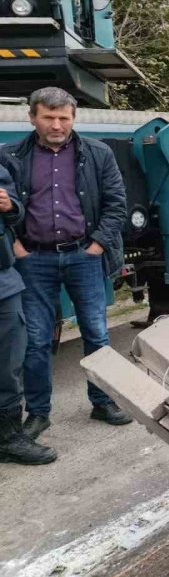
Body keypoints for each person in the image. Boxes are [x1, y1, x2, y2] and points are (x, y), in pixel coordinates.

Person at [0, 87, 131, 440]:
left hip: (83, 256)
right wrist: (18, 248)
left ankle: (103, 401)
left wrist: (97, 245)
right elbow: (5, 211)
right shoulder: (10, 155)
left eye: (64, 118)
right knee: (37, 340)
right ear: (32, 118)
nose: (57, 125)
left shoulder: (98, 153)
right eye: (48, 117)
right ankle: (38, 413)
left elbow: (116, 203)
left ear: (73, 118)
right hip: (33, 259)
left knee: (96, 332)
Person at [0, 164, 57, 464]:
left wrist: (10, 206)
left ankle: (9, 439)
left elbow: (16, 214)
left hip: (3, 283)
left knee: (8, 365)